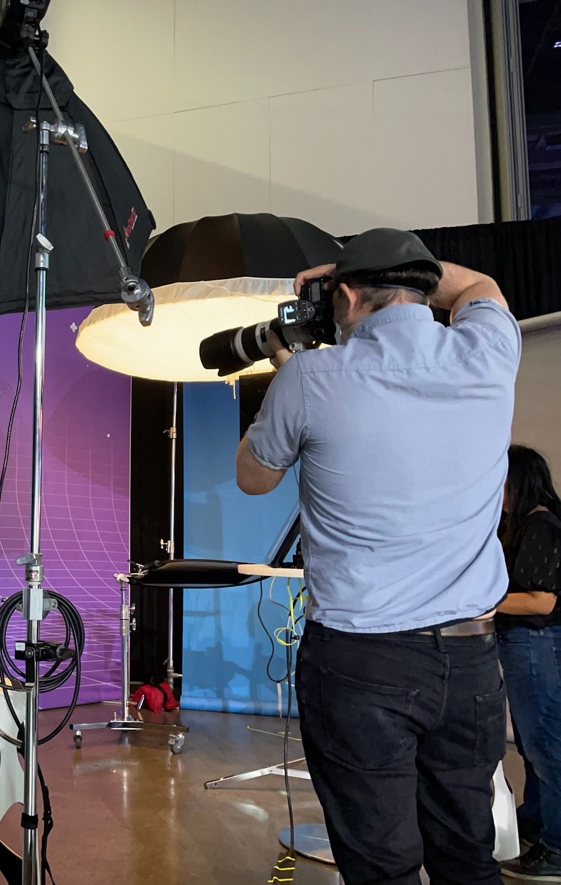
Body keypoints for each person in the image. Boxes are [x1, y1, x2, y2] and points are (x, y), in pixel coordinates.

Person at [236, 228, 521, 884]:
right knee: (466, 856)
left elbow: (254, 476)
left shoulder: (309, 375)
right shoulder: (486, 350)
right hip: (471, 660)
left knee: (382, 864)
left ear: (348, 294)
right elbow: (477, 287)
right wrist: (360, 267)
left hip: (362, 661)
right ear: (418, 284)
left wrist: (280, 376)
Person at [496, 444, 561, 880]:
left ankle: (555, 848)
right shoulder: (537, 522)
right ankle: (536, 825)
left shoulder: (540, 525)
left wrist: (483, 601)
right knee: (535, 746)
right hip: (528, 646)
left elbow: (540, 600)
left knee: (546, 749)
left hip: (535, 645)